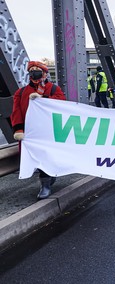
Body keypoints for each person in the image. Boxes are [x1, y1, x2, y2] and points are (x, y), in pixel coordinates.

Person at [11, 61, 66, 199]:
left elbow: (62, 104)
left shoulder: (53, 89)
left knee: (47, 156)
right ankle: (45, 182)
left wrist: (43, 99)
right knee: (38, 157)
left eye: (38, 70)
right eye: (32, 70)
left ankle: (46, 184)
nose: (34, 72)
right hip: (31, 132)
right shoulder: (21, 92)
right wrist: (18, 129)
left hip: (49, 131)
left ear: (45, 73)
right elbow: (16, 112)